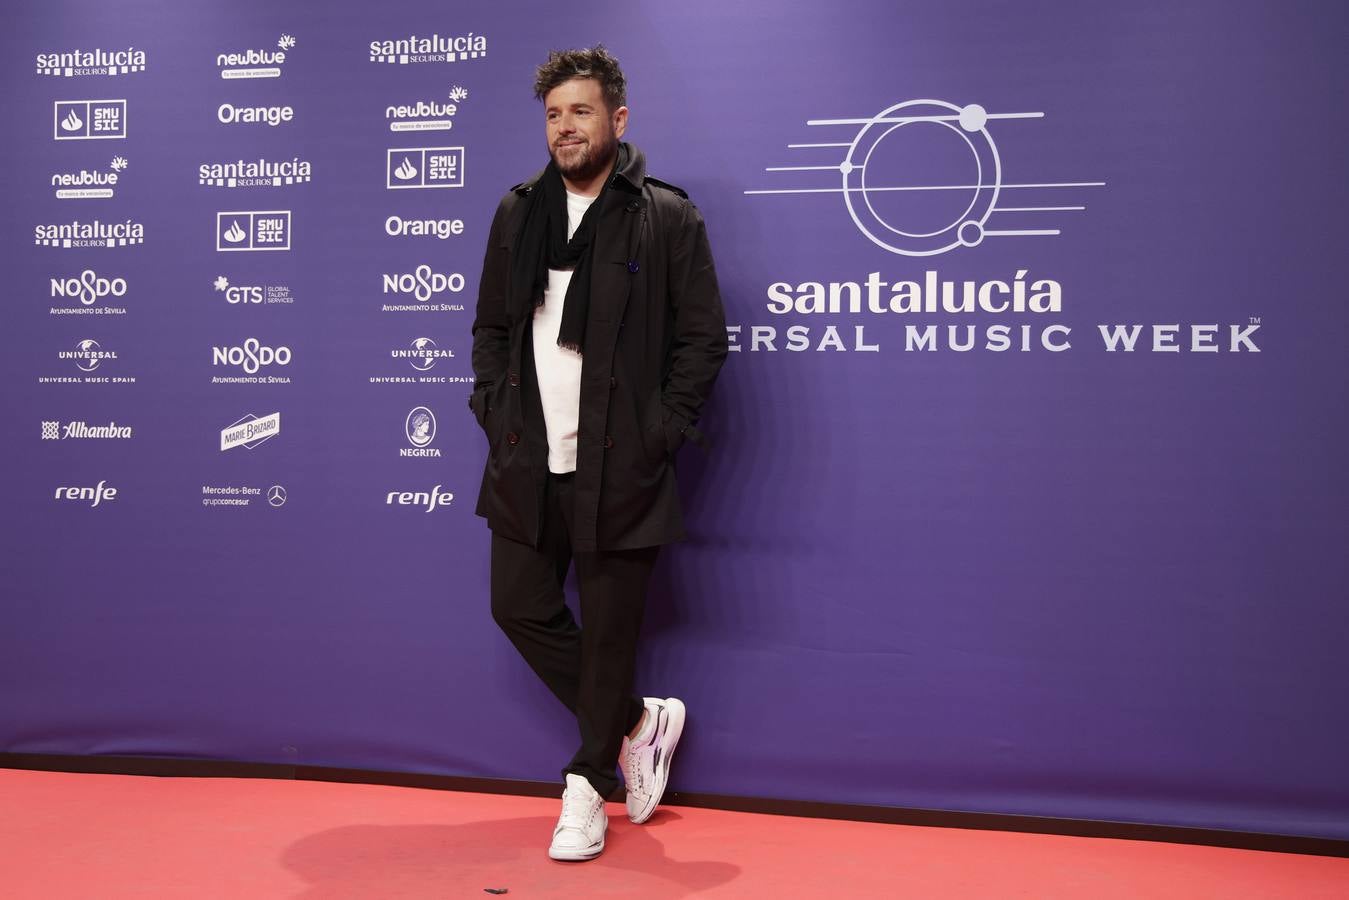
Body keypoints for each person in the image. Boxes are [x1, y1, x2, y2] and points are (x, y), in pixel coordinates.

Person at [467, 45, 727, 861]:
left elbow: (702, 340)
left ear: (617, 119)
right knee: (517, 605)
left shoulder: (663, 215)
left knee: (611, 633)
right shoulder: (518, 212)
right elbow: (491, 328)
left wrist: (659, 434)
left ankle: (585, 789)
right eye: (553, 115)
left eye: (580, 112)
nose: (564, 128)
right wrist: (494, 411)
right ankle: (638, 722)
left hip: (621, 462)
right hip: (527, 456)